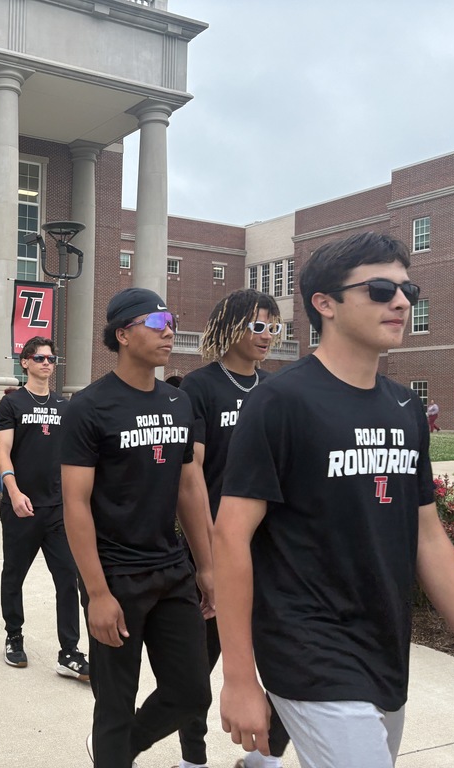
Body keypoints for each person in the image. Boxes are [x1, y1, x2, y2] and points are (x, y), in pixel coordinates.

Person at [215, 232, 454, 768]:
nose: (401, 302)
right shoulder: (280, 401)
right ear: (325, 303)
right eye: (380, 289)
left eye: (408, 289)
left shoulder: (405, 408)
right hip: (307, 646)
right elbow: (230, 536)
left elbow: (429, 539)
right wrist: (238, 677)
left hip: (385, 645)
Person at [62, 287, 215, 767]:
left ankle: (116, 752)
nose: (169, 332)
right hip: (115, 575)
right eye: (157, 323)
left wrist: (207, 567)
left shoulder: (178, 402)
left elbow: (189, 487)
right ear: (124, 335)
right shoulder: (89, 407)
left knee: (192, 692)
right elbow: (75, 504)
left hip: (171, 570)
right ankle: (113, 749)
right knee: (115, 704)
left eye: (171, 323)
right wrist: (97, 593)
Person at [178, 289, 293, 768]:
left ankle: (265, 755)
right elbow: (192, 474)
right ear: (230, 326)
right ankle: (193, 758)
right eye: (258, 326)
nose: (268, 336)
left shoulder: (277, 389)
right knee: (196, 666)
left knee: (285, 662)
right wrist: (207, 558)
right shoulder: (199, 388)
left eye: (274, 327)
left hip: (272, 549)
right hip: (214, 545)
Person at [0, 336, 89, 681]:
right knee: (14, 575)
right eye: (40, 358)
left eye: (51, 359)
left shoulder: (65, 406)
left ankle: (69, 652)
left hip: (57, 509)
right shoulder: (12, 403)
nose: (47, 363)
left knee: (67, 579)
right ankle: (14, 636)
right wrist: (14, 491)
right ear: (25, 362)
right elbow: (3, 452)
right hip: (21, 507)